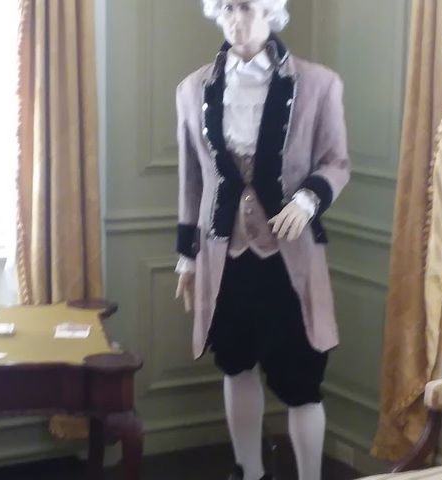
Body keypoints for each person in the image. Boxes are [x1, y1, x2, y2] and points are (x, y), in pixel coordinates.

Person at [174, 1, 350, 478]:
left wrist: (308, 200)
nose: (236, 19)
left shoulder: (319, 84)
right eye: (227, 7)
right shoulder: (192, 90)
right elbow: (192, 181)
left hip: (289, 257)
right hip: (225, 257)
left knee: (301, 381)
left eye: (247, 6)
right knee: (235, 364)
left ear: (270, 10)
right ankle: (250, 472)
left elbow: (336, 162)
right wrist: (187, 259)